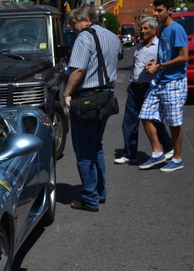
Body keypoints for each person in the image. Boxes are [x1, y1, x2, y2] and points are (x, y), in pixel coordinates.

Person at [63, 4, 121, 212]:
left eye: (74, 22)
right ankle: (100, 191)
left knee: (84, 151)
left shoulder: (84, 37)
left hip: (87, 98)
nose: (72, 27)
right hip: (106, 96)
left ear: (86, 20)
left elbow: (78, 69)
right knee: (96, 146)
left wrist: (67, 93)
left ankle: (90, 198)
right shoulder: (112, 37)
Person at [138, 0, 188, 172]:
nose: (156, 14)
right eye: (155, 11)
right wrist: (156, 62)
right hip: (160, 81)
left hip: (174, 81)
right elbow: (166, 55)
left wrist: (159, 66)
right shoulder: (163, 30)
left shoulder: (176, 29)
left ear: (170, 10)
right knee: (145, 115)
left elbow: (183, 57)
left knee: (174, 123)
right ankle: (157, 152)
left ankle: (177, 158)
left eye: (160, 10)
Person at [115, 17, 173, 165]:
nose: (142, 31)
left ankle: (168, 147)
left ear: (154, 31)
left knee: (154, 121)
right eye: (141, 28)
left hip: (150, 89)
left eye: (146, 28)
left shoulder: (159, 46)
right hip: (134, 89)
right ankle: (130, 154)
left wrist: (156, 65)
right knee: (129, 122)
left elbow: (166, 64)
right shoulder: (140, 46)